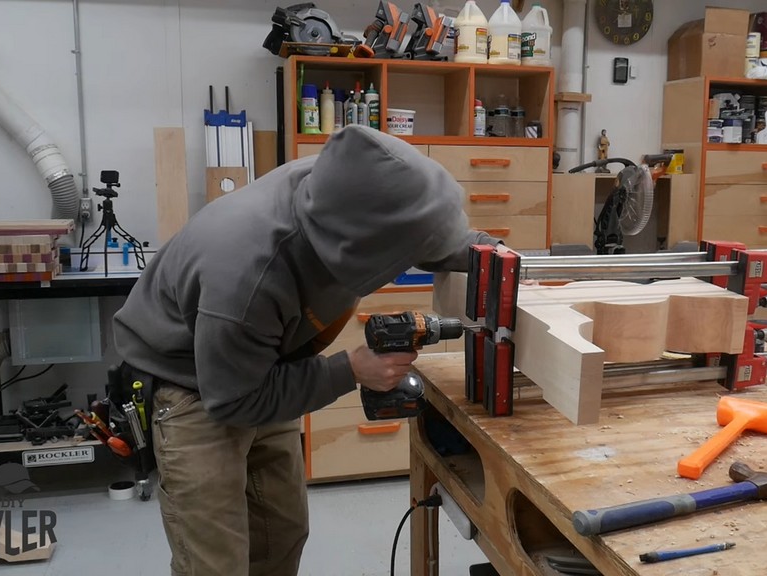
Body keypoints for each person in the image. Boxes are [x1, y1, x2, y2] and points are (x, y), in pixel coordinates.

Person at [112, 125, 498, 576]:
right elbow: (235, 399)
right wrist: (349, 370)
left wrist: (493, 257)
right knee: (216, 562)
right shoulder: (246, 275)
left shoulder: (346, 191)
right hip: (193, 387)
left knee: (281, 535)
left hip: (267, 362)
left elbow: (425, 236)